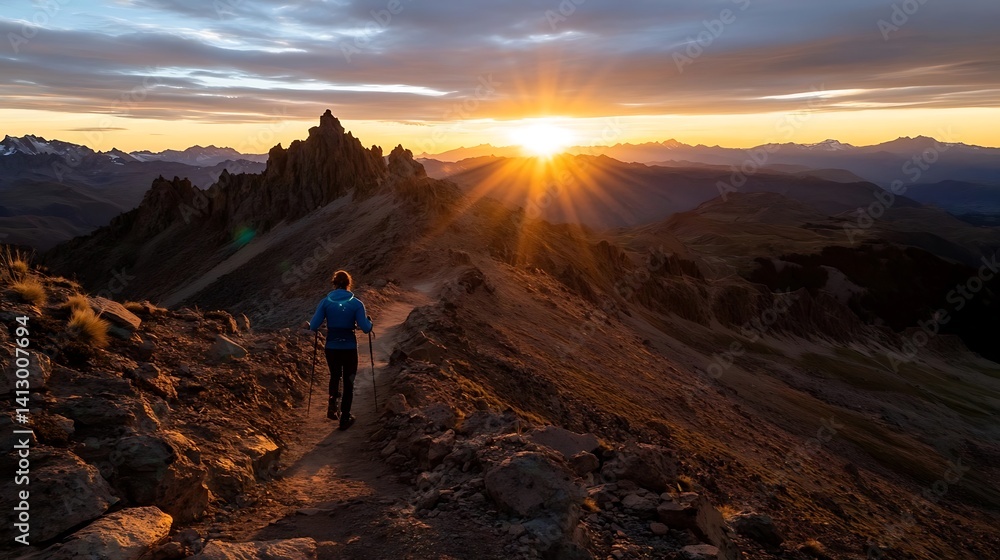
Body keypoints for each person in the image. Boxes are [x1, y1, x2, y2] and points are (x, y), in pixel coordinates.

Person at [308, 270, 373, 430]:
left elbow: (314, 326)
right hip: (349, 347)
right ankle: (345, 417)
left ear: (334, 283)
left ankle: (332, 402)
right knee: (348, 381)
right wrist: (370, 323)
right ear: (348, 284)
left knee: (335, 376)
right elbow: (365, 328)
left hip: (331, 347)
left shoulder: (325, 302)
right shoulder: (357, 304)